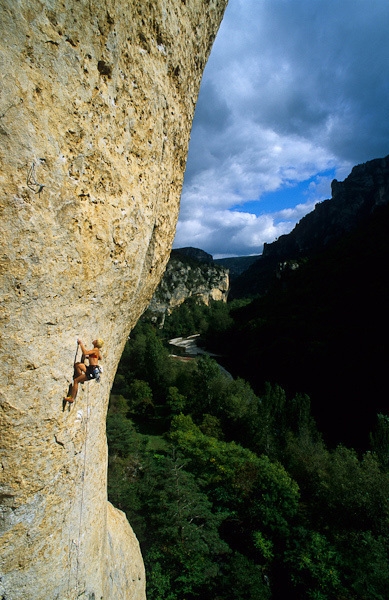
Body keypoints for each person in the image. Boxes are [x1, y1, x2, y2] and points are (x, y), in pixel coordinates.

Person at [64, 338, 104, 403]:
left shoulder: (95, 350)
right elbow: (100, 358)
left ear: (96, 343)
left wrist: (81, 344)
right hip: (91, 369)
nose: (94, 340)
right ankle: (80, 377)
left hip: (92, 371)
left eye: (96, 340)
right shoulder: (97, 350)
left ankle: (72, 398)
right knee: (78, 365)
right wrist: (90, 357)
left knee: (76, 381)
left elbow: (85, 353)